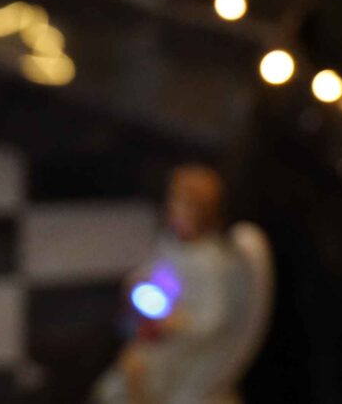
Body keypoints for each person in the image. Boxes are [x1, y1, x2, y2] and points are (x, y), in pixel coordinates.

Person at [93, 164, 263, 404]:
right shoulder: (171, 243)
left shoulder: (208, 262)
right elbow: (160, 271)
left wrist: (178, 322)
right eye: (173, 206)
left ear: (202, 214)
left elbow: (213, 319)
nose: (175, 215)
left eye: (185, 210)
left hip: (187, 346)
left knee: (138, 369)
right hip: (158, 330)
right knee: (127, 366)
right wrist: (139, 279)